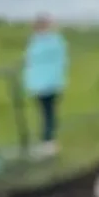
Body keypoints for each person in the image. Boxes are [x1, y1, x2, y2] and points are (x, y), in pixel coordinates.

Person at [22, 13, 69, 157]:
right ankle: (48, 141)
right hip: (43, 83)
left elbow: (35, 61)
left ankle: (49, 142)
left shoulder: (48, 42)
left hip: (48, 83)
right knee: (46, 112)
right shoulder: (48, 41)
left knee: (48, 113)